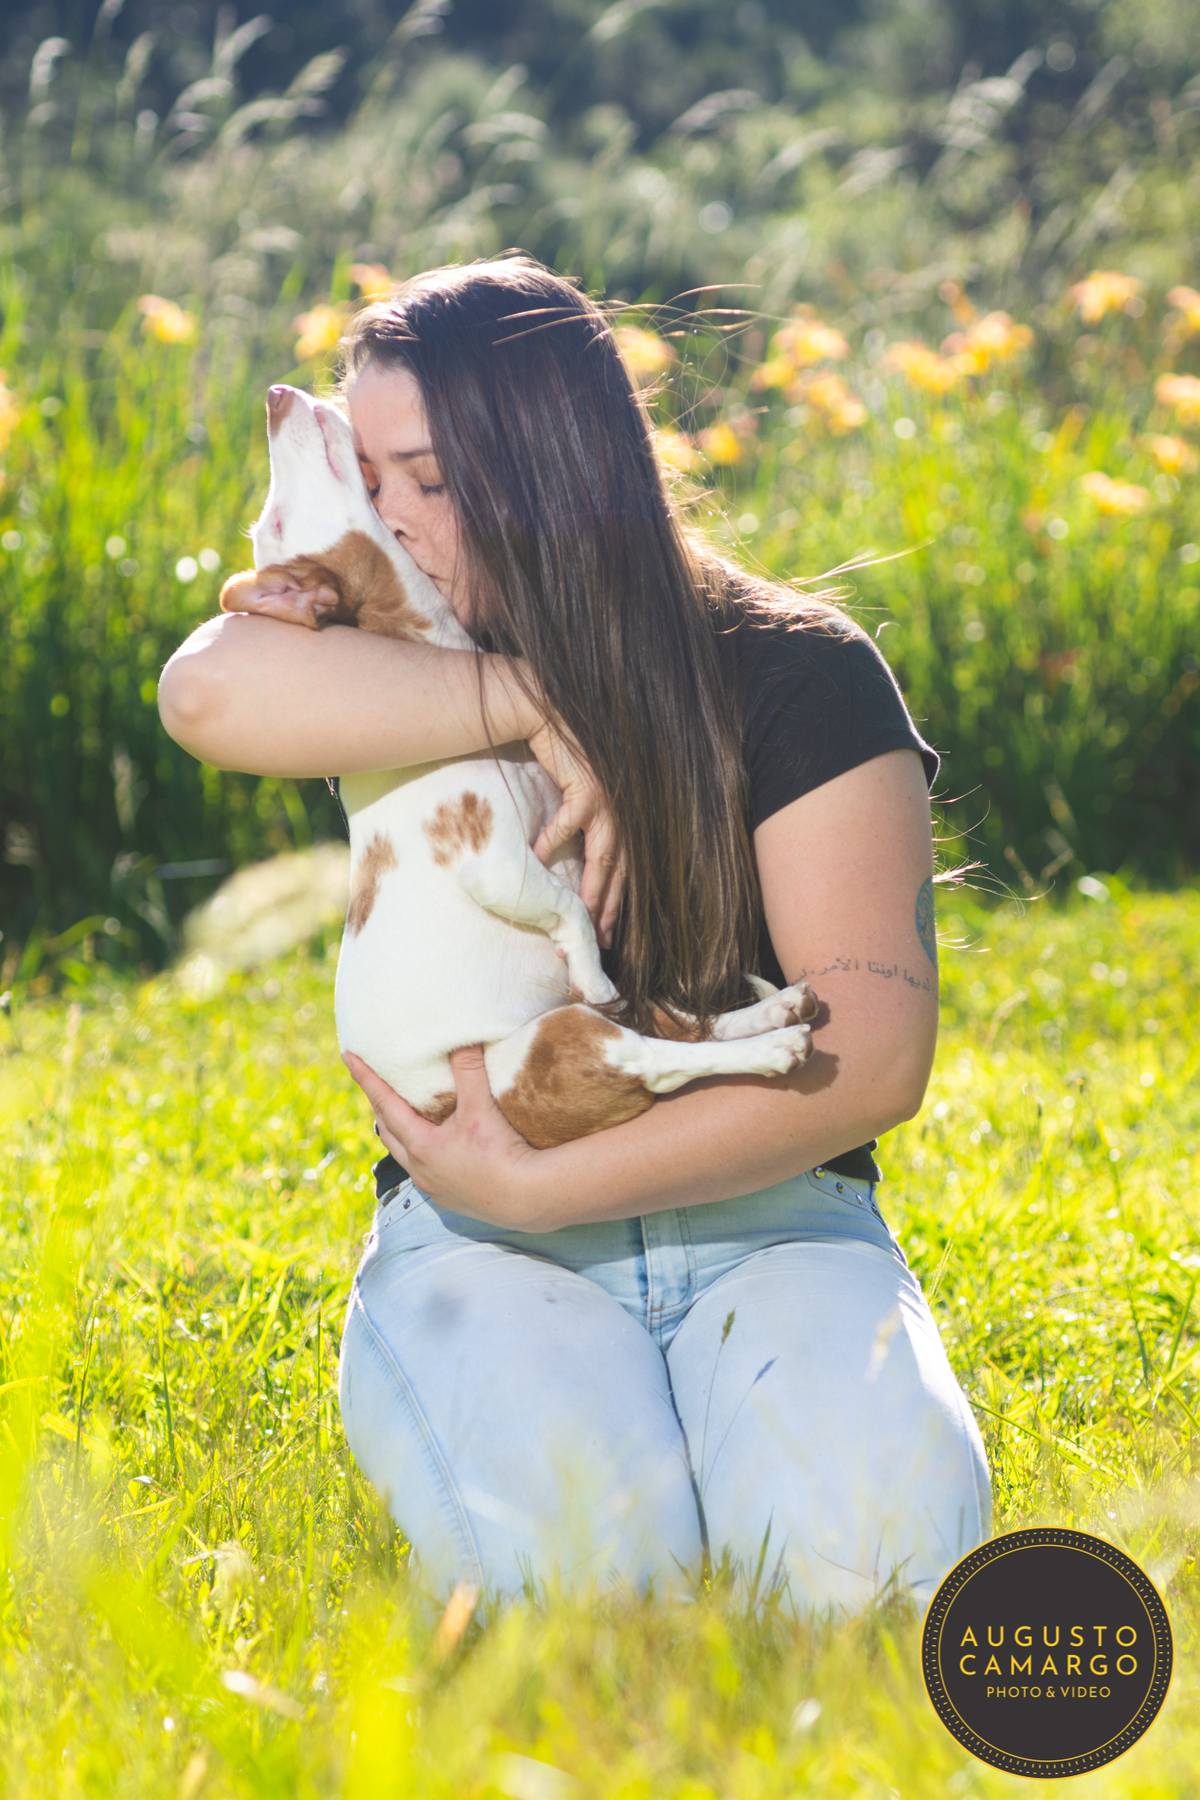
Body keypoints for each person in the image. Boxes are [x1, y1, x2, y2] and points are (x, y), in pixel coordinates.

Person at [159, 255, 991, 1611]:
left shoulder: (797, 670)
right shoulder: (403, 667)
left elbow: (876, 1058)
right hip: (488, 1258)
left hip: (774, 1230)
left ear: (562, 469)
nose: (395, 521)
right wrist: (526, 696)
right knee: (589, 1605)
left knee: (873, 1587)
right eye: (372, 480)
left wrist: (534, 1182)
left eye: (430, 478)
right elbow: (202, 698)